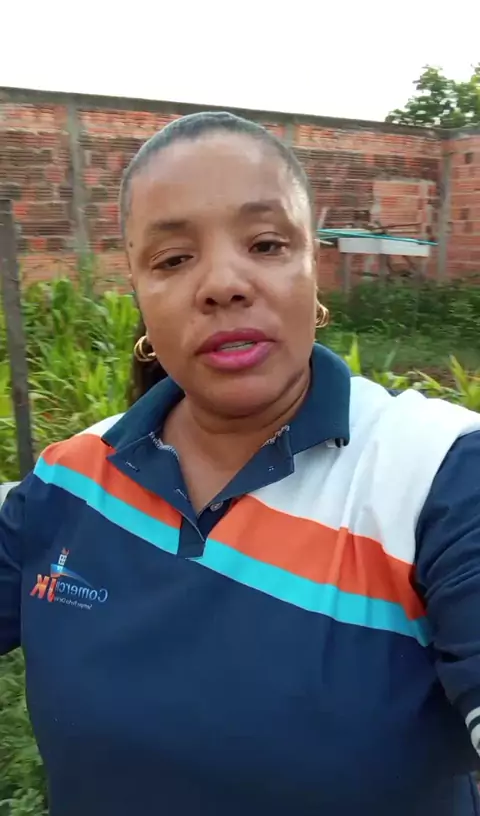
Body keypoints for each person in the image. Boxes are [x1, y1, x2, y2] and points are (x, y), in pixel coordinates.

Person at [1, 111, 480, 816]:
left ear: (313, 269)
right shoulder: (68, 482)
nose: (223, 284)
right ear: (137, 292)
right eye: (173, 259)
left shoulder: (438, 475)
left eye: (266, 244)